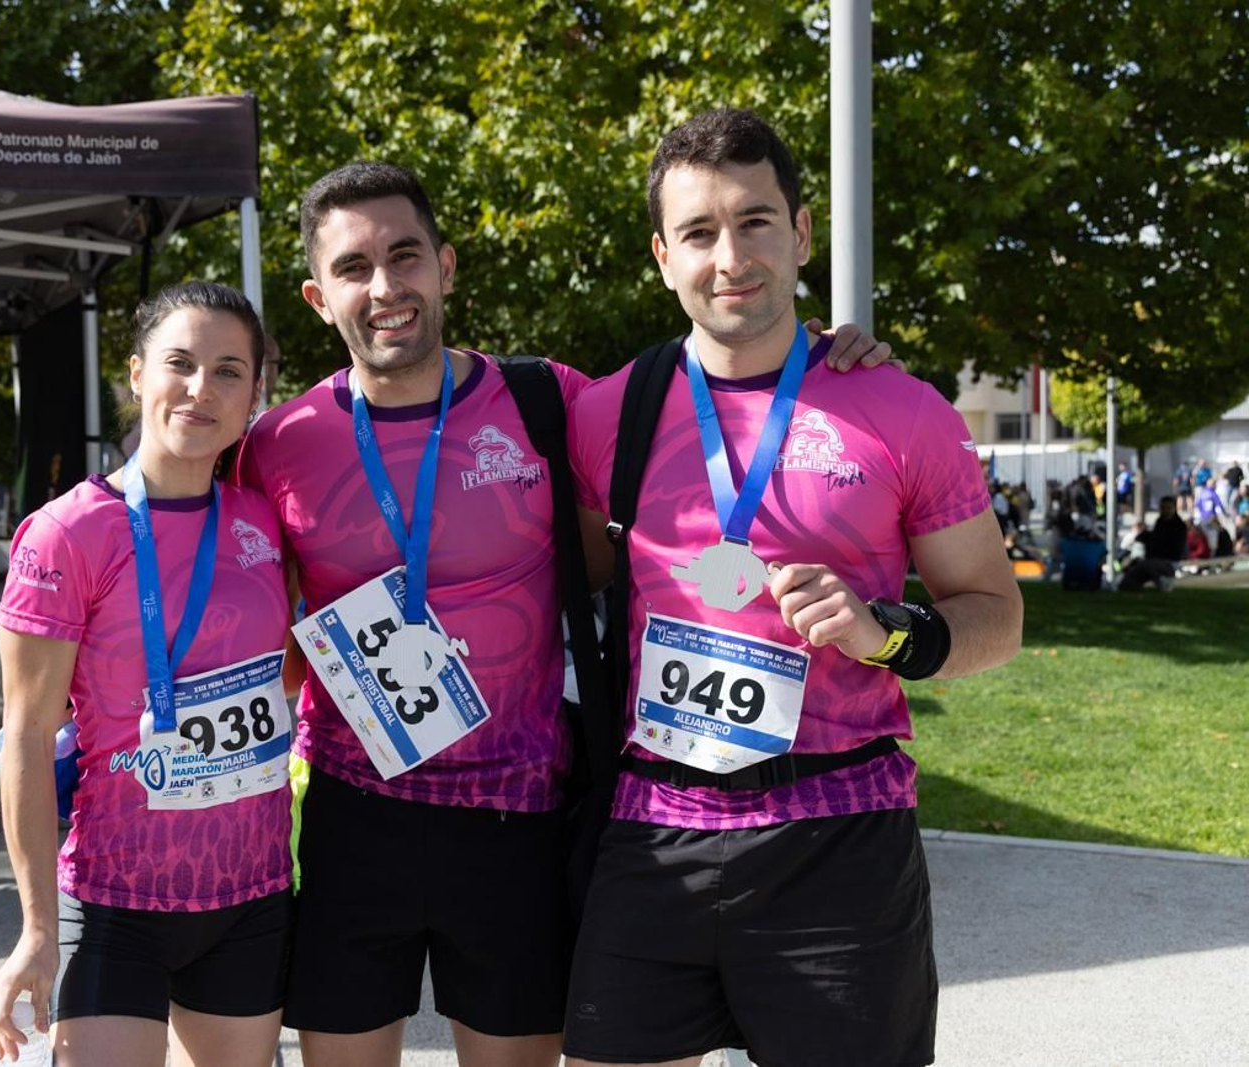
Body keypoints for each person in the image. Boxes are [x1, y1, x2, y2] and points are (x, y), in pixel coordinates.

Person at [236, 161, 891, 1067]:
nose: (384, 286)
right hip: (357, 815)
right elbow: (252, 612)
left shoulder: (550, 402)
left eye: (405, 254)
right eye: (354, 267)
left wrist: (816, 353)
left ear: (447, 265)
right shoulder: (276, 445)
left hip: (519, 819)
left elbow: (711, 397)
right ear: (317, 296)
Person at [562, 108, 1023, 1067]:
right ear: (662, 255)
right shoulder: (609, 413)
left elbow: (997, 614)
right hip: (654, 836)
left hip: (839, 842)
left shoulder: (901, 409)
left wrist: (885, 634)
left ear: (802, 230)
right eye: (698, 232)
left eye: (756, 220)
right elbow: (563, 576)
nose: (730, 256)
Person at [0, 282, 294, 1067]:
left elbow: (285, 673)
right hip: (117, 896)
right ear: (135, 373)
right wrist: (36, 926)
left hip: (252, 892)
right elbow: (22, 736)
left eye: (229, 370)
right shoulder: (65, 532)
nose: (201, 389)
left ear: (257, 390)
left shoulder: (264, 520)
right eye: (180, 363)